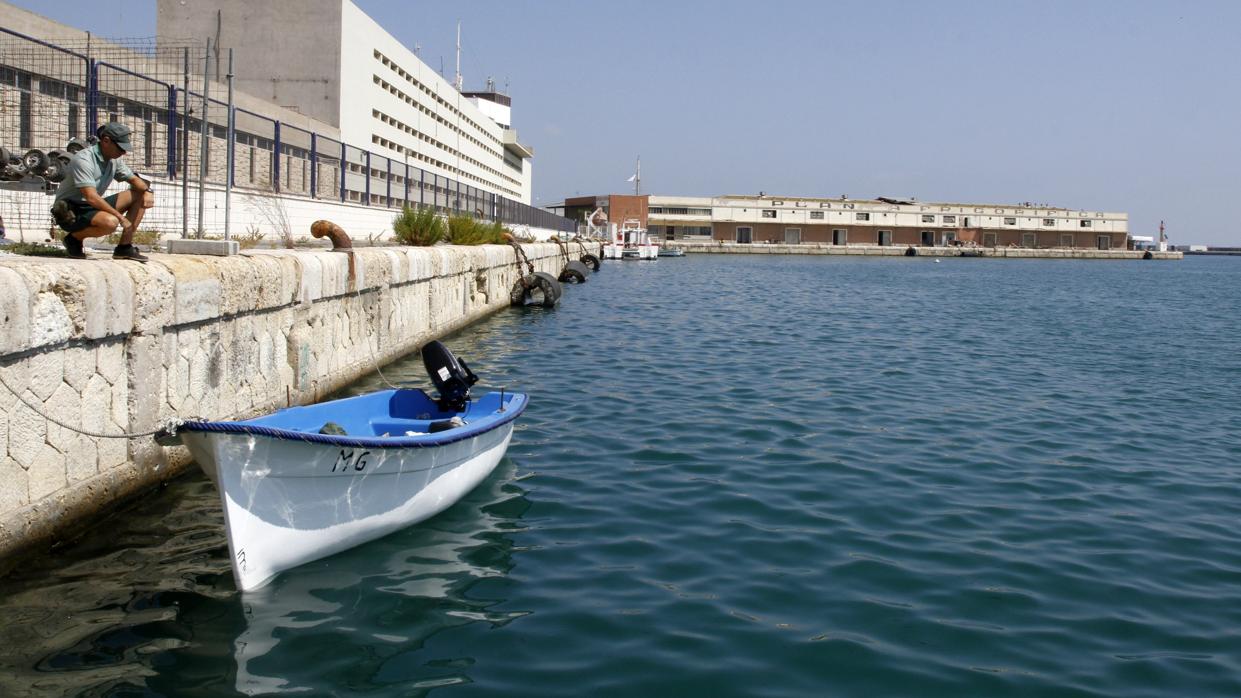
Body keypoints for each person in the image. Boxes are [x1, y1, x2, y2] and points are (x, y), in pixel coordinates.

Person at [51, 122, 154, 261]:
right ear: (106, 141)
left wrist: (147, 191)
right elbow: (91, 197)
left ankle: (124, 247)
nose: (124, 152)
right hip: (71, 210)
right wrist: (121, 218)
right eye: (120, 147)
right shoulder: (83, 159)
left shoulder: (114, 160)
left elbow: (136, 181)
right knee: (110, 222)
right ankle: (73, 239)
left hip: (90, 206)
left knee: (139, 196)